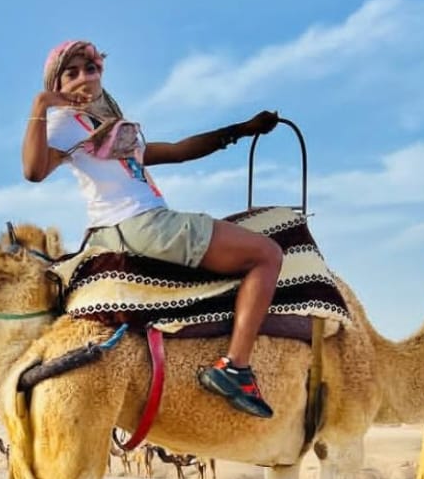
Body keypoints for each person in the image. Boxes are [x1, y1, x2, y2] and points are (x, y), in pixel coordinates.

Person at [22, 39, 282, 418]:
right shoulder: (64, 123)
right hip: (142, 223)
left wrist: (240, 130)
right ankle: (235, 368)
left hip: (117, 228)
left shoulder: (107, 126)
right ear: (56, 83)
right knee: (267, 254)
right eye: (71, 73)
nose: (83, 79)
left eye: (89, 69)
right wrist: (41, 105)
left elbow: (176, 150)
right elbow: (34, 170)